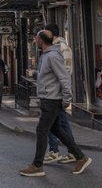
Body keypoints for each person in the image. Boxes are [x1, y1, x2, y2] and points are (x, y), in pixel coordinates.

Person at [19, 29, 91, 177]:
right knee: (56, 130)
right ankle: (80, 157)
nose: (35, 41)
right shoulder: (47, 56)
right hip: (48, 98)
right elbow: (49, 75)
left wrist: (67, 99)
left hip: (52, 100)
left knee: (41, 130)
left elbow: (64, 77)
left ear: (40, 41)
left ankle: (37, 165)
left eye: (36, 39)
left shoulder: (52, 56)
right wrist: (35, 74)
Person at [43, 23, 77, 164]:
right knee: (58, 123)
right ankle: (67, 151)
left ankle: (57, 151)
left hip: (56, 93)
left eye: (46, 33)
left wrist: (65, 95)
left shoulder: (62, 49)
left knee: (55, 123)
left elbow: (65, 73)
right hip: (52, 93)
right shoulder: (54, 48)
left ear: (53, 35)